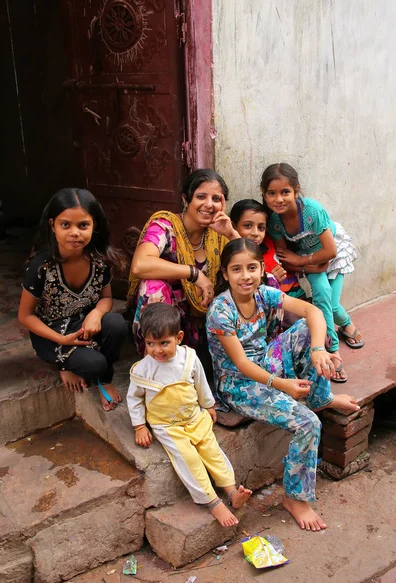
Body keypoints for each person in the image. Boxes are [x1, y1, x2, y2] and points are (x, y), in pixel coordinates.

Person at [206, 238, 359, 531]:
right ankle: (295, 498)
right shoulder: (220, 311)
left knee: (310, 329)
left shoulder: (264, 294)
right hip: (239, 384)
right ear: (225, 274)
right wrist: (282, 384)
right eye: (236, 270)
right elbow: (240, 363)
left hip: (265, 362)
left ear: (262, 269)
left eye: (252, 268)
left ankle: (320, 396)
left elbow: (313, 312)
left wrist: (317, 349)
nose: (245, 276)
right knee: (307, 424)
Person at [126, 303, 252, 526]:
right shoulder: (142, 369)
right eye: (150, 344)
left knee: (212, 450)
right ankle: (212, 501)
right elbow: (134, 398)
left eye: (164, 342)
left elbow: (201, 383)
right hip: (168, 426)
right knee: (189, 458)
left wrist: (208, 405)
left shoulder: (189, 359)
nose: (157, 350)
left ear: (179, 337)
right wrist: (139, 426)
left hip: (194, 417)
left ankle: (232, 492)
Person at [18, 188, 128, 411]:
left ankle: (104, 379)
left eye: (83, 225)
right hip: (50, 332)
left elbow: (106, 299)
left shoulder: (99, 261)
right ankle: (63, 364)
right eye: (65, 225)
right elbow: (25, 316)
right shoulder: (40, 267)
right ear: (53, 225)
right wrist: (62, 340)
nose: (75, 233)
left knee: (117, 325)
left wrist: (96, 314)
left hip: (84, 324)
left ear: (94, 226)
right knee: (94, 363)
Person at [261, 163, 364, 383]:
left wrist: (302, 261)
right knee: (323, 295)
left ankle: (340, 336)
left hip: (332, 254)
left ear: (296, 191)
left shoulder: (312, 211)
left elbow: (330, 250)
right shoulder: (274, 222)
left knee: (331, 304)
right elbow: (285, 257)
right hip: (312, 263)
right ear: (264, 194)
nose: (278, 199)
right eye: (272, 193)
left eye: (285, 192)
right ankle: (337, 342)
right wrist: (306, 267)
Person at [127, 169, 240, 355]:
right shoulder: (166, 226)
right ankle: (156, 363)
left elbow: (252, 269)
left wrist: (231, 234)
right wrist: (194, 274)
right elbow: (140, 264)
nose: (208, 205)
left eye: (216, 199)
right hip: (166, 319)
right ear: (186, 200)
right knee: (153, 286)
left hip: (201, 321)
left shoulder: (219, 235)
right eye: (201, 196)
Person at [230, 198, 304, 297]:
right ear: (233, 226)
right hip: (272, 303)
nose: (255, 233)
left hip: (296, 294)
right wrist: (270, 280)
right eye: (247, 226)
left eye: (261, 228)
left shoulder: (269, 242)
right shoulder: (233, 256)